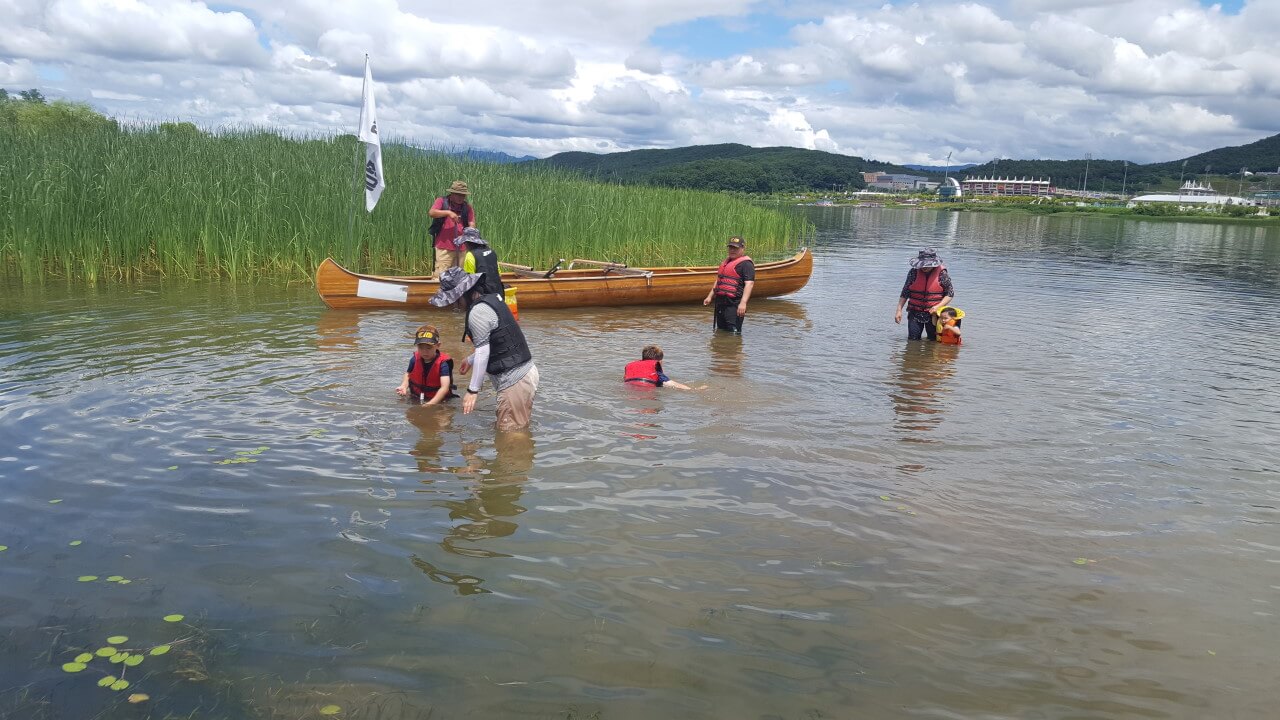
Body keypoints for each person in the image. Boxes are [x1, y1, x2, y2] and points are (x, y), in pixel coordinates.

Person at [429, 267, 538, 431]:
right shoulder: (490, 299)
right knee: (511, 429)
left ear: (465, 292)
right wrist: (470, 360)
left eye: (455, 300)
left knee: (511, 437)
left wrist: (473, 391)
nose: (454, 306)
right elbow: (496, 340)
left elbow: (483, 351)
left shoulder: (477, 312)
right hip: (523, 375)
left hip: (515, 380)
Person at [894, 248, 955, 341]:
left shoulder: (942, 273)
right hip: (915, 312)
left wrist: (938, 306)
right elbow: (905, 292)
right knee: (913, 341)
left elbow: (950, 293)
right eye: (923, 264)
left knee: (933, 340)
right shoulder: (913, 272)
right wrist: (899, 310)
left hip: (934, 313)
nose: (924, 267)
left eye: (928, 265)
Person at [703, 236, 755, 333]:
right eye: (730, 247)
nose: (732, 250)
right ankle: (721, 348)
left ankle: (734, 347)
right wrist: (709, 296)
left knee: (733, 332)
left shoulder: (746, 264)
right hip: (721, 302)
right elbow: (719, 280)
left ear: (743, 248)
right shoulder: (727, 262)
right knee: (721, 330)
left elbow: (749, 284)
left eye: (735, 248)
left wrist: (743, 303)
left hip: (734, 303)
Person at [395, 324, 457, 404]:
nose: (424, 352)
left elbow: (444, 388)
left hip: (440, 400)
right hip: (416, 396)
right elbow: (408, 374)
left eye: (429, 348)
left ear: (438, 345)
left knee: (442, 415)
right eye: (421, 348)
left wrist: (430, 404)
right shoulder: (414, 359)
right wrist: (404, 386)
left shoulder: (443, 364)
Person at [427, 180, 476, 277]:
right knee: (441, 276)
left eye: (463, 195)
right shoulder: (441, 201)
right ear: (452, 193)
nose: (461, 197)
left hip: (462, 248)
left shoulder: (467, 208)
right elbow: (431, 213)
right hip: (444, 247)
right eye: (458, 195)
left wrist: (471, 231)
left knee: (459, 276)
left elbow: (472, 223)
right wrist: (448, 213)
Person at [623, 345, 700, 390]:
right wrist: (693, 389)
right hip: (646, 393)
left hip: (629, 391)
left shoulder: (630, 366)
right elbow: (672, 384)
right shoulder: (656, 371)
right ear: (659, 362)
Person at [459, 227, 505, 297]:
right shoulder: (492, 252)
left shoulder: (470, 255)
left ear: (467, 243)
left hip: (482, 295)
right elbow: (499, 274)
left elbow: (469, 280)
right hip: (498, 293)